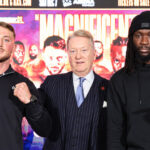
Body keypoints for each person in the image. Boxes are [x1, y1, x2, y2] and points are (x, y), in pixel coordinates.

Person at [15, 29, 108, 150]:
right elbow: (41, 126)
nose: (78, 56)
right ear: (68, 55)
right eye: (73, 51)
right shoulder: (51, 83)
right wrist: (29, 100)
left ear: (94, 53)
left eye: (84, 50)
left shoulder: (110, 88)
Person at [0, 21, 51, 150]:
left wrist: (30, 101)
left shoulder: (22, 84)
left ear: (13, 46)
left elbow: (44, 129)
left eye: (6, 40)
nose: (0, 44)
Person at [107, 11, 150, 150]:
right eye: (138, 35)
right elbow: (114, 132)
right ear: (131, 39)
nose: (144, 41)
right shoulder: (119, 80)